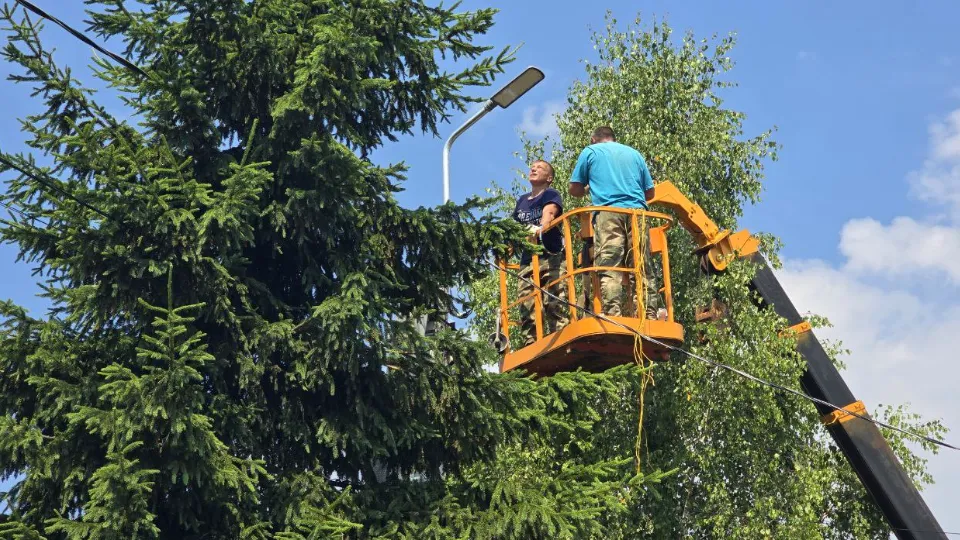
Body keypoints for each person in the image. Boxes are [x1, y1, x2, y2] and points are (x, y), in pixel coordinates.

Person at [569, 126, 663, 320]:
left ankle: (613, 314)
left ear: (593, 139)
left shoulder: (591, 151)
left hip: (608, 211)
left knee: (610, 264)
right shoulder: (634, 154)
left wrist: (588, 188)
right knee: (642, 264)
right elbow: (650, 193)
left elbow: (574, 189)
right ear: (613, 138)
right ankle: (648, 314)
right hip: (637, 213)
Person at [512, 159, 569, 345]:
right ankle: (531, 341)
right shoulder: (522, 201)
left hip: (550, 255)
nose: (534, 168)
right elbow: (513, 227)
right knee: (526, 300)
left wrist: (539, 228)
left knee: (554, 299)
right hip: (528, 259)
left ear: (549, 177)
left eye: (540, 167)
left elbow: (549, 214)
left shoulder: (550, 194)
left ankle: (560, 336)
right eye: (532, 167)